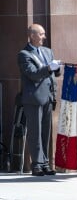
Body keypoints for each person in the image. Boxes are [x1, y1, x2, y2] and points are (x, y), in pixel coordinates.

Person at [17, 24, 61, 176]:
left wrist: (57, 68)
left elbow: (53, 74)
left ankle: (46, 163)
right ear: (32, 35)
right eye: (41, 34)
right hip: (33, 98)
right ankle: (36, 164)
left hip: (48, 96)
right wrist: (49, 68)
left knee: (45, 132)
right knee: (35, 132)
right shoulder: (24, 54)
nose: (44, 37)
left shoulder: (47, 51)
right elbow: (33, 74)